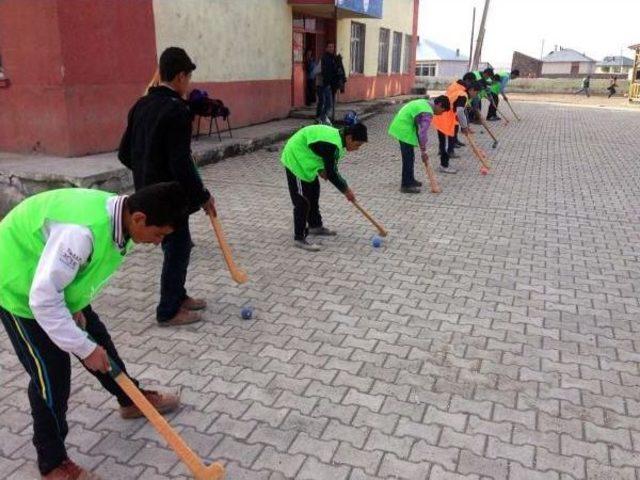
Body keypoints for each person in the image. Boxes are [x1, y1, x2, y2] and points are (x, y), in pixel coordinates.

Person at [0, 182, 189, 480]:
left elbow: (69, 273)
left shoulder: (119, 219)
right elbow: (43, 298)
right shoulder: (81, 233)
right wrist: (84, 350)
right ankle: (52, 463)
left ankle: (131, 400)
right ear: (139, 218)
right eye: (159, 234)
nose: (157, 243)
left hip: (50, 282)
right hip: (18, 286)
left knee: (101, 344)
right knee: (51, 373)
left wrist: (77, 310)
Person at [118, 47, 216, 327]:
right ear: (181, 76)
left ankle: (179, 295)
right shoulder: (177, 111)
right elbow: (181, 164)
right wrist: (203, 196)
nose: (189, 84)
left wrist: (146, 170)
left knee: (176, 246)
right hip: (169, 196)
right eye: (189, 77)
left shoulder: (140, 106)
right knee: (178, 246)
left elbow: (124, 153)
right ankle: (168, 310)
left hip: (145, 192)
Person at [281, 123, 368, 251]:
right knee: (302, 201)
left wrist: (322, 169)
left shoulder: (337, 141)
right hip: (296, 159)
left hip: (307, 159)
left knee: (314, 192)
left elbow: (325, 159)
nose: (357, 148)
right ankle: (299, 238)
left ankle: (315, 226)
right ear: (349, 138)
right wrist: (346, 190)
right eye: (357, 145)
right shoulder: (332, 144)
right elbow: (332, 174)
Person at [388, 96, 451, 193]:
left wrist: (422, 150)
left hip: (403, 125)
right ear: (439, 105)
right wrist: (423, 149)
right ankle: (406, 185)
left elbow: (419, 128)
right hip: (403, 129)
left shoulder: (425, 102)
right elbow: (423, 132)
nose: (441, 114)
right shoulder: (427, 112)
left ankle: (410, 180)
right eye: (442, 111)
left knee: (410, 157)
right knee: (408, 158)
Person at [432, 81, 481, 174]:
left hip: (440, 117)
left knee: (443, 143)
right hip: (445, 119)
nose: (476, 95)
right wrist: (464, 126)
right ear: (471, 90)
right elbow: (460, 111)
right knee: (445, 145)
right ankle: (444, 166)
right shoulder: (463, 95)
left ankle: (443, 165)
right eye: (476, 92)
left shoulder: (459, 92)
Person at [316, 43, 338, 125]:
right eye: (330, 47)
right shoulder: (323, 58)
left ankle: (322, 117)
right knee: (322, 101)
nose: (332, 48)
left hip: (327, 84)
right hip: (321, 83)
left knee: (328, 103)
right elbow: (319, 71)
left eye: (333, 47)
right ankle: (319, 117)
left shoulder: (333, 58)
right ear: (326, 48)